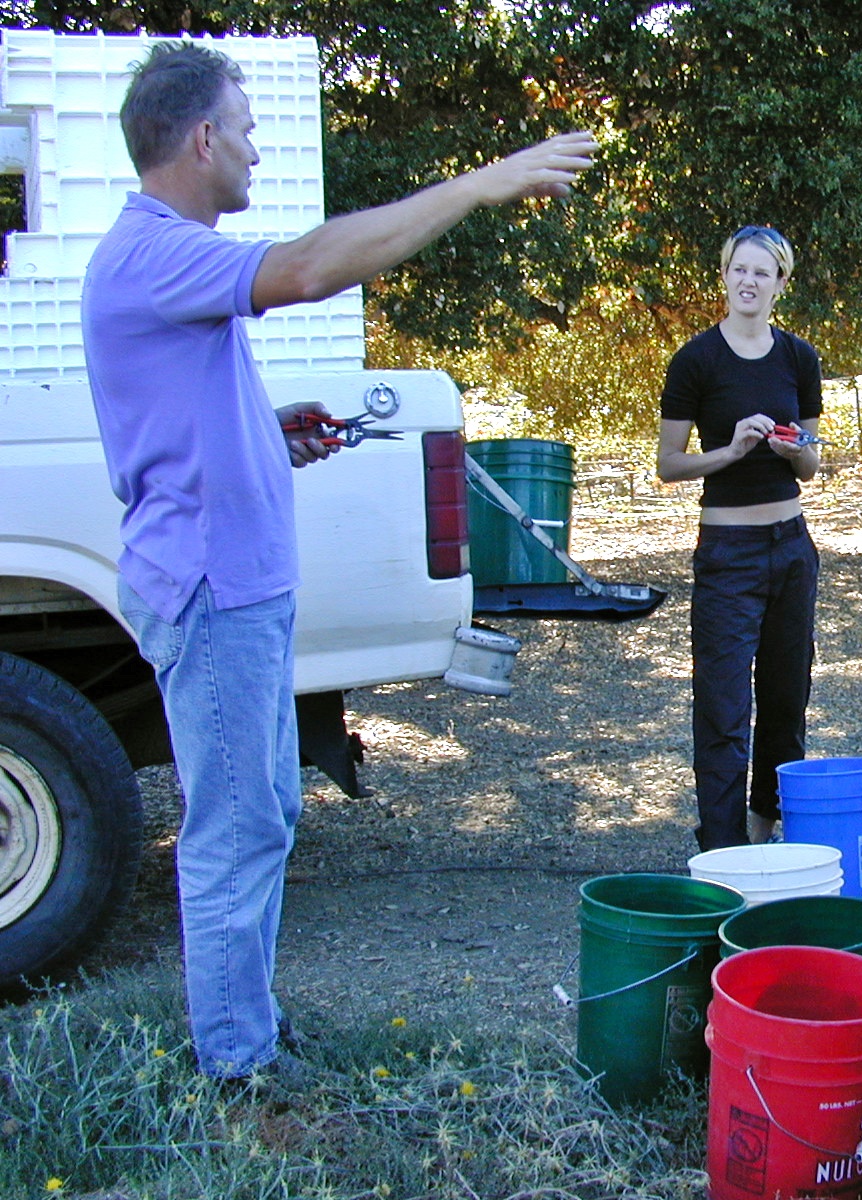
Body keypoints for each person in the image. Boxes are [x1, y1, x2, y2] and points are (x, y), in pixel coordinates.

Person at [81, 41, 597, 1080]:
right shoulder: (152, 251)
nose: (258, 150)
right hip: (214, 589)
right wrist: (483, 182)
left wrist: (268, 433)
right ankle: (238, 1071)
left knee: (263, 812)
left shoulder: (161, 258)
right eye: (249, 128)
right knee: (234, 830)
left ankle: (249, 1031)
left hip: (238, 586)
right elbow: (312, 267)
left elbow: (174, 428)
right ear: (202, 137)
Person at [657, 225, 824, 851]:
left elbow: (810, 465)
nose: (749, 282)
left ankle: (767, 832)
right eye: (739, 270)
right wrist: (729, 451)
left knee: (786, 702)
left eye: (763, 272)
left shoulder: (798, 358)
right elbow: (669, 464)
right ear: (724, 276)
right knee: (724, 712)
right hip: (727, 555)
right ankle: (724, 852)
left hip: (791, 548)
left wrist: (789, 449)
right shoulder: (697, 360)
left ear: (781, 283)